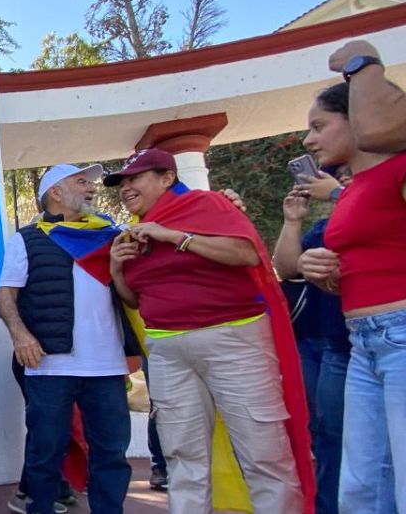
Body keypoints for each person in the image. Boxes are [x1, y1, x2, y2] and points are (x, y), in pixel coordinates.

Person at [106, 148, 311, 514]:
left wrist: (173, 236)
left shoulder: (206, 203)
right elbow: (135, 299)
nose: (126, 188)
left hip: (233, 339)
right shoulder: (133, 231)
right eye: (122, 182)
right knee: (181, 454)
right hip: (167, 348)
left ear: (167, 178)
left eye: (135, 178)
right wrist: (117, 269)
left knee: (262, 450)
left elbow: (247, 253)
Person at [299, 39, 406, 513]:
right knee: (361, 487)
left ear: (357, 117)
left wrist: (363, 63)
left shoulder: (400, 169)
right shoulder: (355, 188)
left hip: (400, 333)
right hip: (362, 341)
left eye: (319, 126)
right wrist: (322, 270)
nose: (309, 140)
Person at [0, 164, 137, 514]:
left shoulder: (112, 235)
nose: (91, 188)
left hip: (107, 367)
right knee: (45, 451)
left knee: (111, 453)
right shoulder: (27, 238)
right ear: (56, 192)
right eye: (81, 181)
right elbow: (6, 294)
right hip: (50, 366)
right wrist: (20, 335)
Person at [273, 161, 351, 514]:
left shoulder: (384, 209)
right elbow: (287, 268)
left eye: (348, 170)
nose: (341, 175)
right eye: (336, 172)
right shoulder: (324, 227)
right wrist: (292, 221)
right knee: (327, 432)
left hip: (370, 338)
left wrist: (337, 193)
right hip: (324, 340)